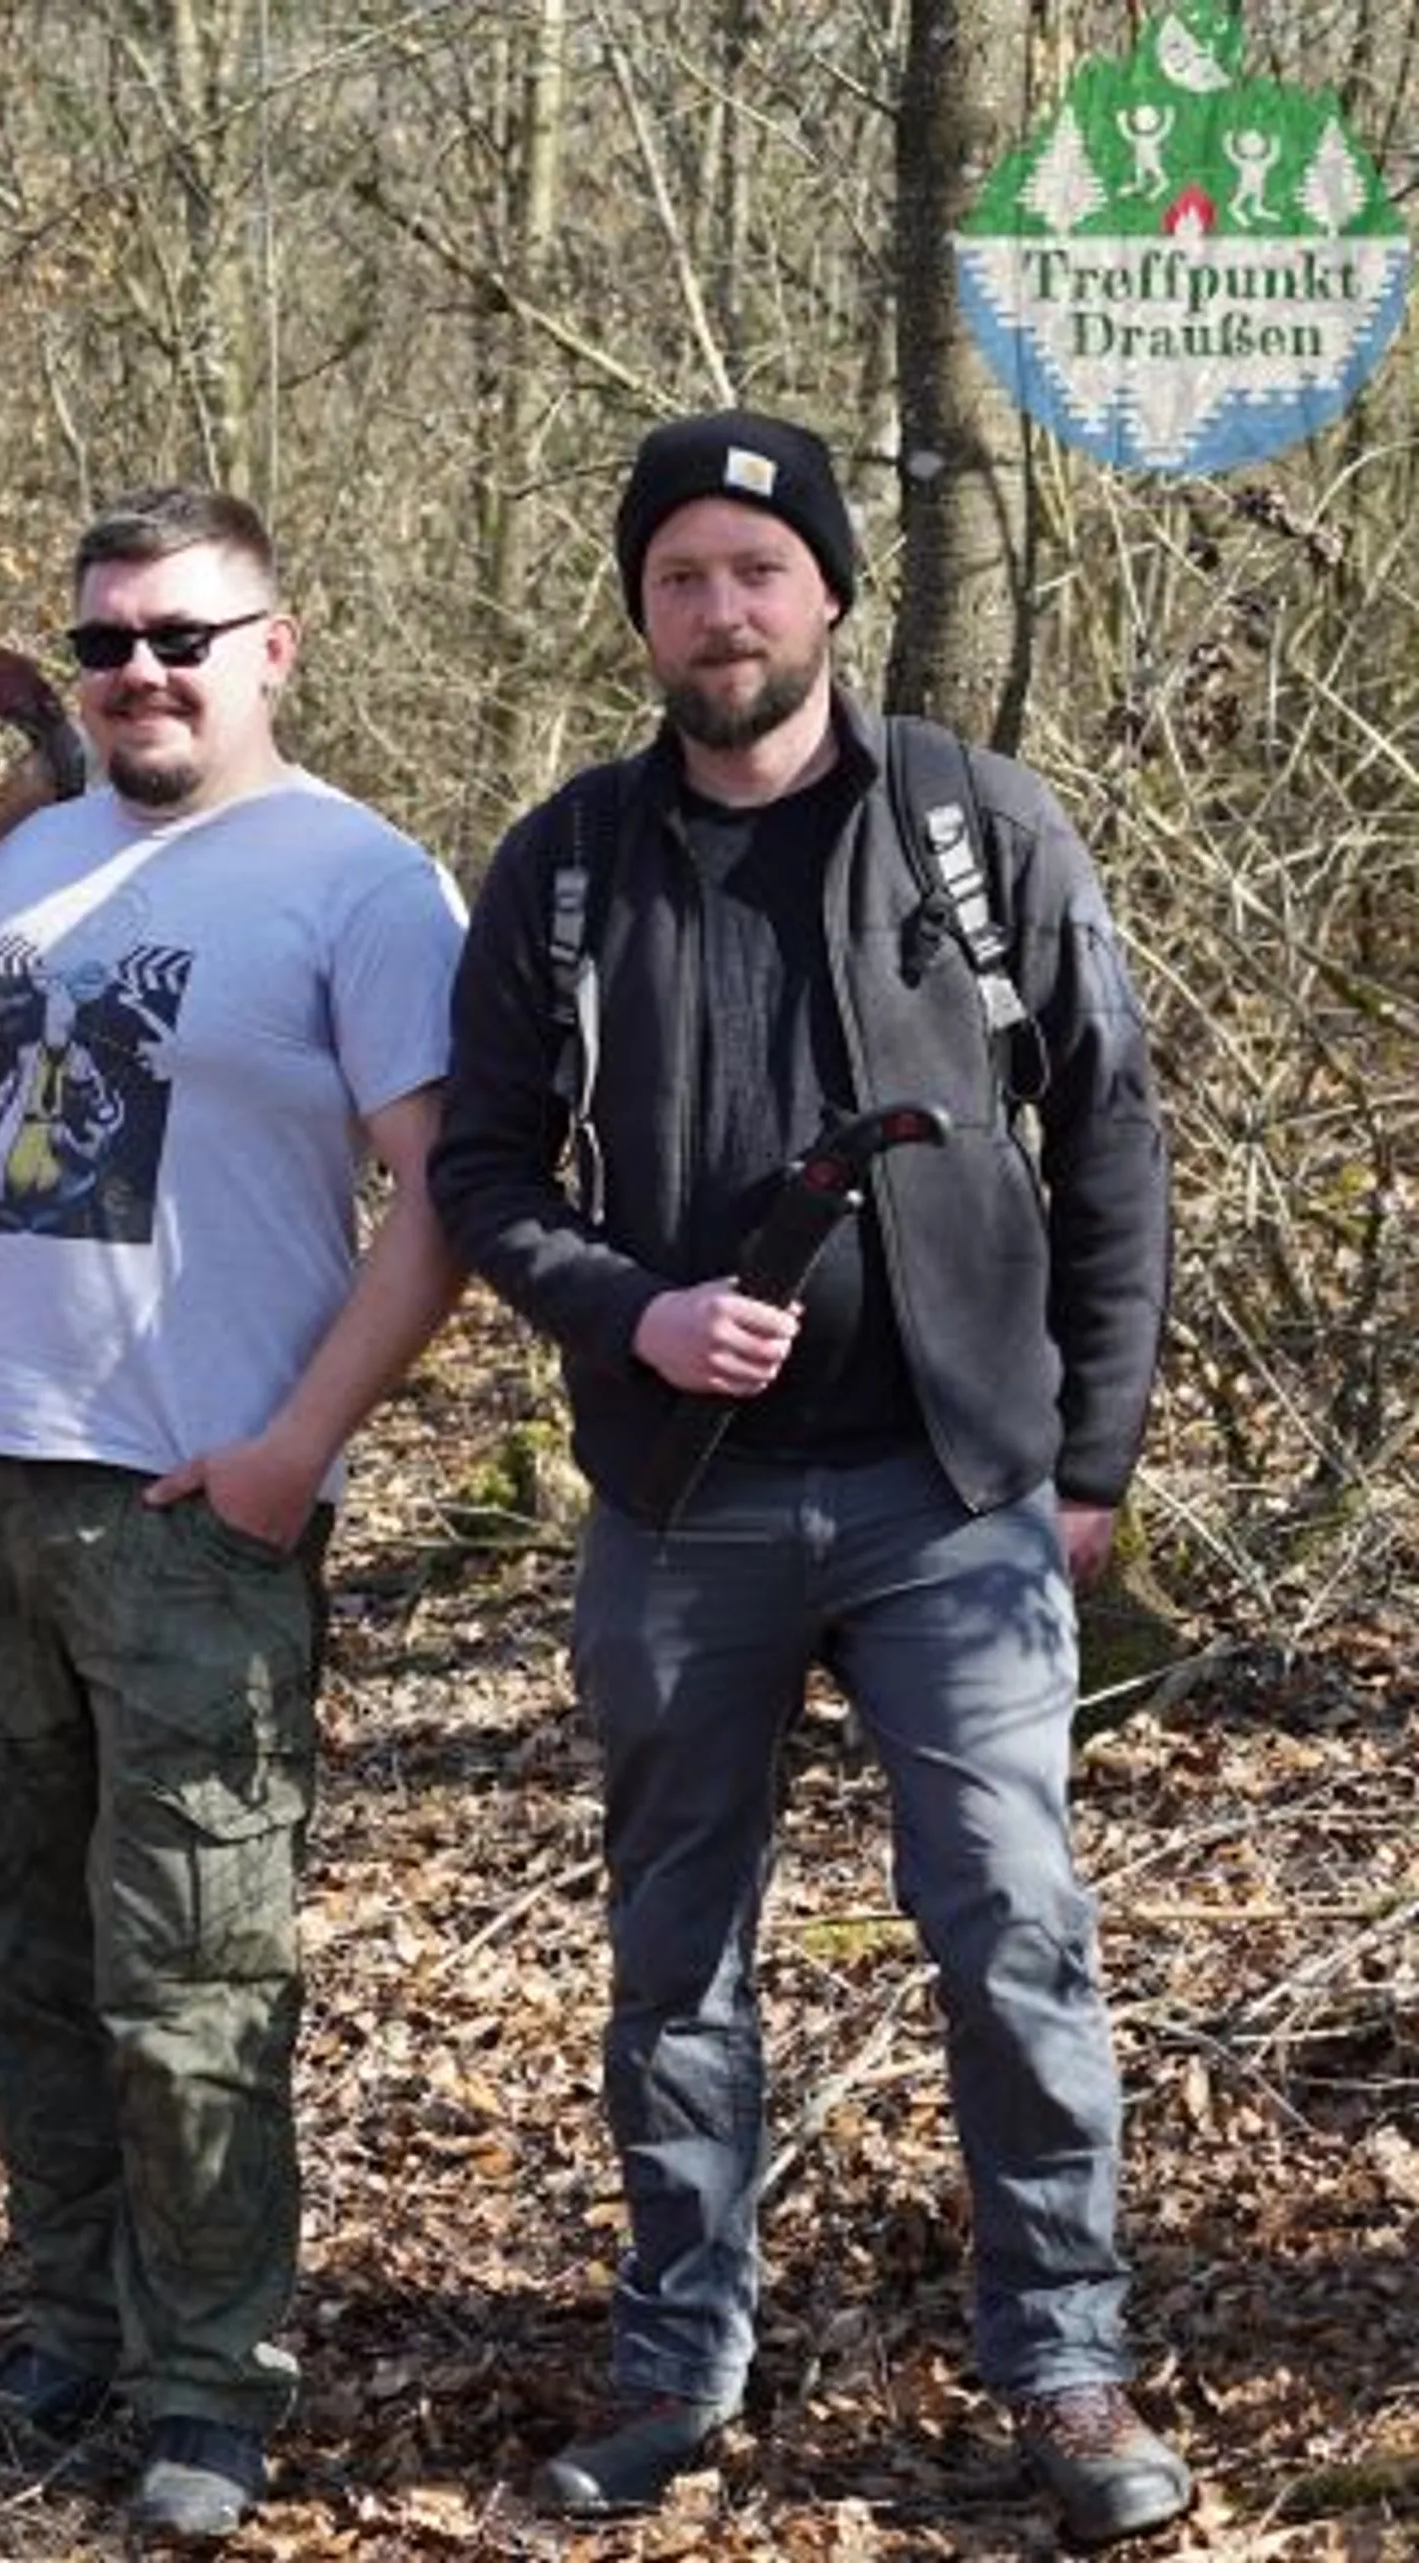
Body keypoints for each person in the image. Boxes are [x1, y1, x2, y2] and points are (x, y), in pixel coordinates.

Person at [428, 410, 1190, 2547]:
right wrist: (635, 1313)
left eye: (757, 571)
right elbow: (480, 1171)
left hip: (956, 1496)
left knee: (1013, 1921)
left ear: (832, 593)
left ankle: (1063, 2361)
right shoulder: (564, 868)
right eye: (679, 577)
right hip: (683, 1507)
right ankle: (676, 2365)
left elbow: (1111, 1131)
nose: (721, 610)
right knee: (675, 1955)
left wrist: (1091, 1457)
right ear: (640, 614)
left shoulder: (974, 824)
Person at [0, 488, 465, 2544]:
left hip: (199, 1505)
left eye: (181, 635)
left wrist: (296, 1447)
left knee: (192, 1975)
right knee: (4, 1950)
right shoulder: (21, 865)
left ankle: (211, 2382)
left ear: (277, 646)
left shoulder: (362, 882)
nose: (139, 672)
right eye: (104, 643)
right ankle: (73, 2326)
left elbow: (445, 1196)